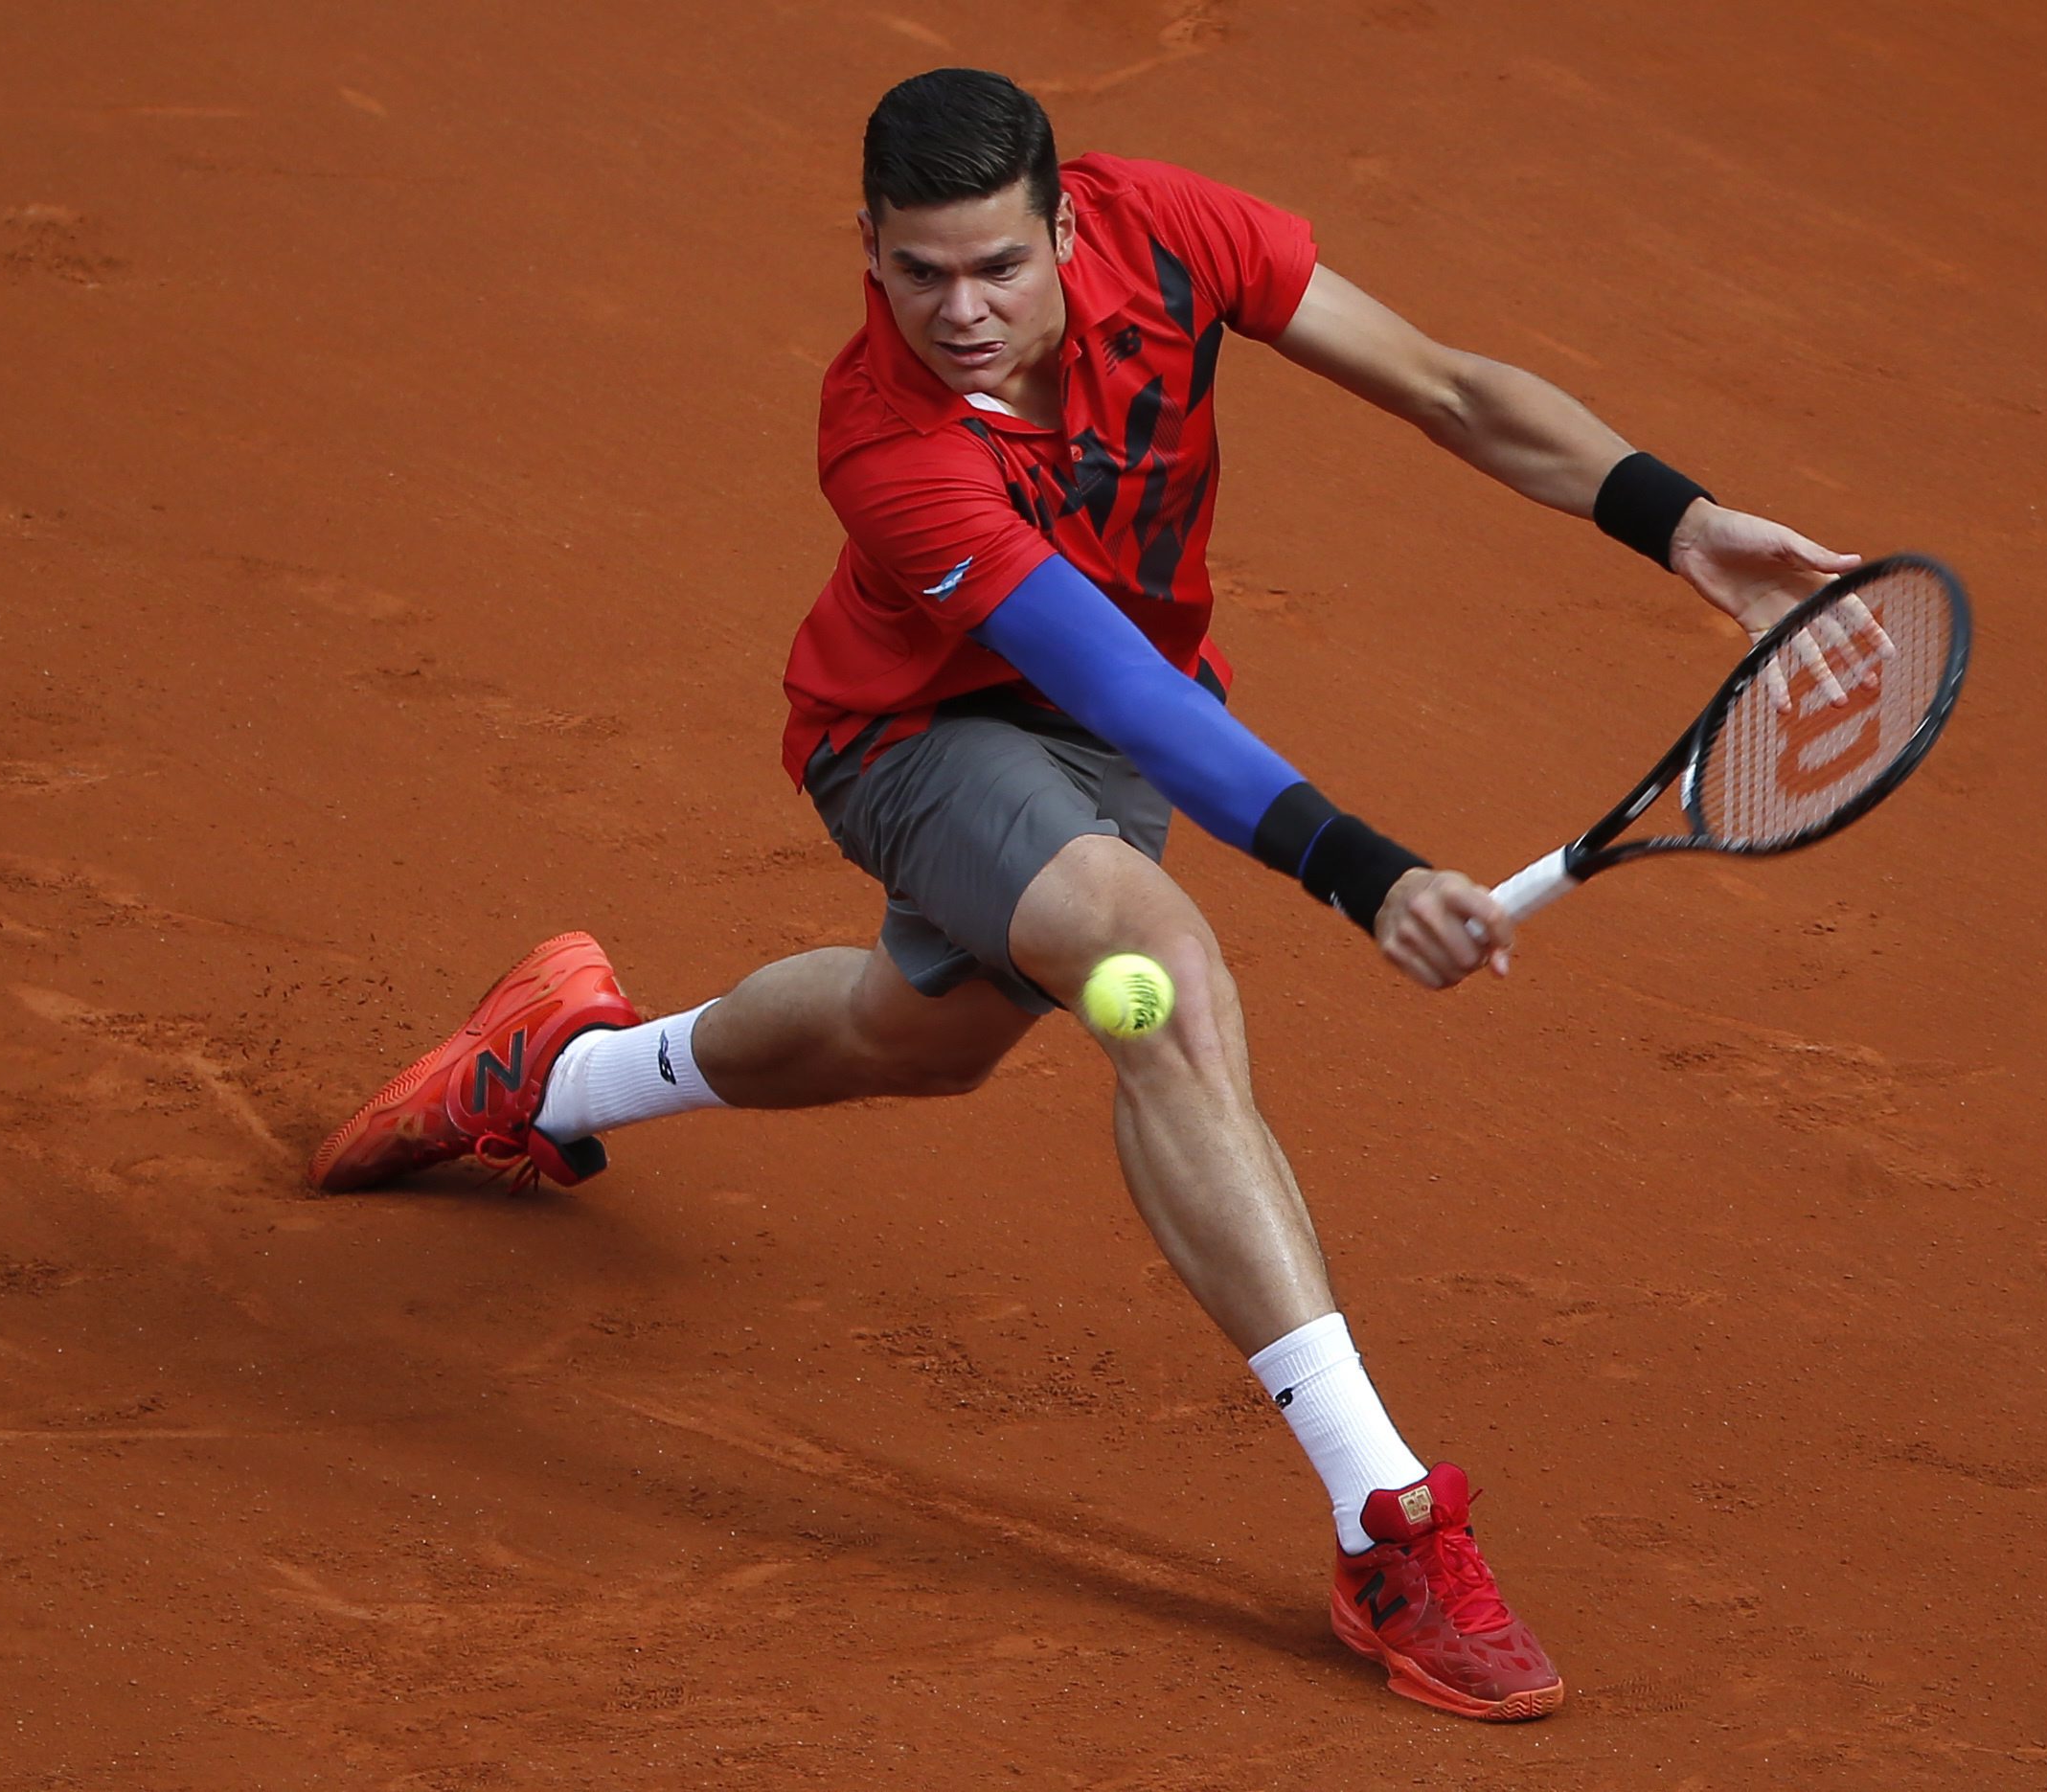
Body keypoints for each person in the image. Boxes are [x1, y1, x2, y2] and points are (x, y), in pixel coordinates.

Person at [307, 68, 1859, 1722]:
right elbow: (1113, 684)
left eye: (998, 266)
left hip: (1113, 745)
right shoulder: (884, 441)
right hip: (918, 740)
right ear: (869, 252)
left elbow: (1451, 389)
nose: (961, 312)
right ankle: (1384, 1514)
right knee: (1159, 983)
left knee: (921, 1036)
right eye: (918, 274)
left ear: (1067, 224)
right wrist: (1362, 870)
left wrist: (1682, 521)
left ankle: (556, 1065)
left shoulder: (1173, 232)